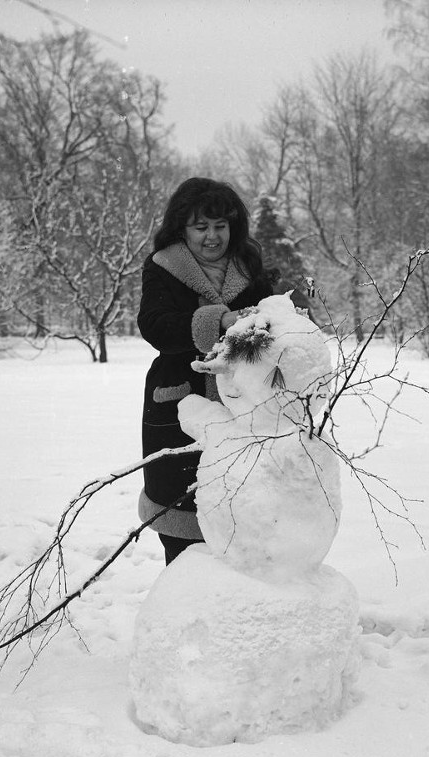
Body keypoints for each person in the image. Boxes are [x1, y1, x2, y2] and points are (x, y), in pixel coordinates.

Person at [137, 177, 276, 565]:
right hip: (179, 400)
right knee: (182, 514)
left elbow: (268, 319)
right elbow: (155, 325)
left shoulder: (248, 263)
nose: (212, 236)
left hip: (241, 403)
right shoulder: (164, 266)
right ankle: (180, 610)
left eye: (220, 226)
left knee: (241, 512)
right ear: (182, 228)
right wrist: (219, 321)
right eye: (201, 227)